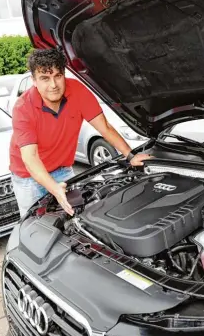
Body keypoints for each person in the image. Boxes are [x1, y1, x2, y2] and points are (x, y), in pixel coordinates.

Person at [9, 48, 151, 217]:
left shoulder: (77, 91)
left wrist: (130, 155)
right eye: (45, 78)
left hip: (62, 169)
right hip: (29, 178)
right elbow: (30, 158)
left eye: (58, 76)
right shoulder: (23, 107)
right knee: (35, 223)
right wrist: (54, 188)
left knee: (74, 219)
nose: (53, 85)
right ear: (33, 80)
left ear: (64, 74)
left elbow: (104, 127)